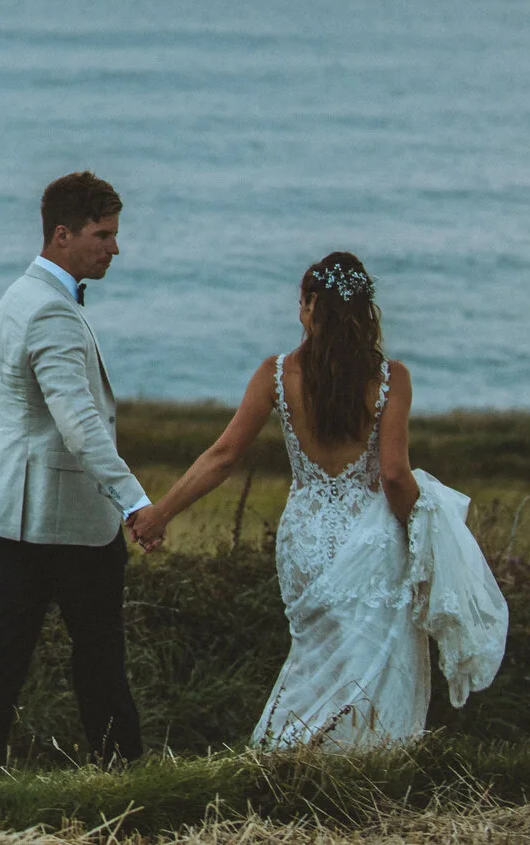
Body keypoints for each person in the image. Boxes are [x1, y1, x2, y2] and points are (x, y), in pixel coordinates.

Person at [133, 252, 436, 747]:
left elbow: (224, 454)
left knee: (314, 657)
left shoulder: (276, 374)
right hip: (369, 538)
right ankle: (365, 768)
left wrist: (160, 513)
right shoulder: (390, 379)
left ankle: (293, 760)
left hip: (305, 538)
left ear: (312, 306)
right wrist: (423, 532)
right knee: (371, 659)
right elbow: (395, 474)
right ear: (364, 312)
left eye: (302, 302)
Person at [0, 170, 155, 766]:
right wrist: (134, 499)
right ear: (62, 234)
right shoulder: (52, 313)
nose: (114, 247)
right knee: (99, 656)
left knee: (3, 655)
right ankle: (121, 773)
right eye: (103, 234)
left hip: (11, 511)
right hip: (67, 518)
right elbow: (79, 425)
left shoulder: (17, 295)